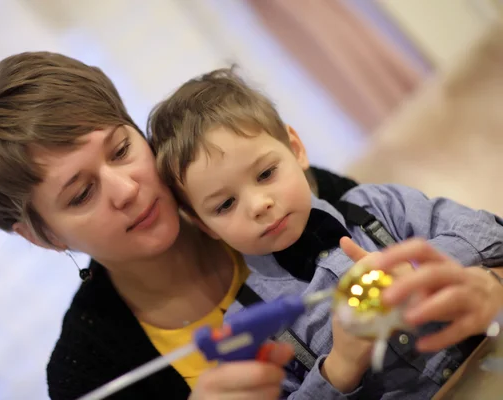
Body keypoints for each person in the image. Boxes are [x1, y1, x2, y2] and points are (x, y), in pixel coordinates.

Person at [0, 51, 361, 400]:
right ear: (44, 236)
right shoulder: (89, 372)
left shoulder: (272, 193)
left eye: (122, 149)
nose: (126, 189)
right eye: (81, 195)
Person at [147, 67, 503, 399]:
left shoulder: (376, 205)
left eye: (266, 173)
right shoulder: (246, 327)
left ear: (296, 150)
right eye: (225, 204)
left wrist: (419, 267)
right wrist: (340, 367)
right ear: (205, 225)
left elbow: (490, 231)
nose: (258, 204)